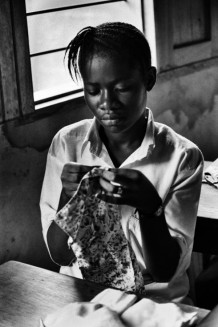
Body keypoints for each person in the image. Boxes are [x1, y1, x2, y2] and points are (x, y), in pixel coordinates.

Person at [40, 22, 204, 303]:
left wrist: (151, 207)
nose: (107, 103)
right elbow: (59, 255)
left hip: (156, 307)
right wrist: (70, 198)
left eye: (122, 88)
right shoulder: (67, 145)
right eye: (93, 90)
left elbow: (164, 272)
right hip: (85, 301)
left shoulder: (183, 158)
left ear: (149, 79)